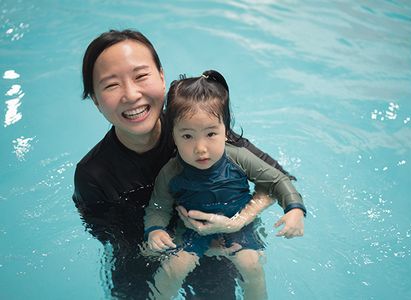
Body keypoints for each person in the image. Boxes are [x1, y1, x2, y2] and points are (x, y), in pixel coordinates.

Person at [73, 29, 305, 299]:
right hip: (147, 261)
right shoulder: (93, 174)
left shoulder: (198, 127)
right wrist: (169, 244)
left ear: (161, 77)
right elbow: (113, 242)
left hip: (221, 242)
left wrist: (235, 222)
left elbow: (278, 180)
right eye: (111, 84)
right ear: (96, 101)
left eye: (140, 76)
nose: (131, 94)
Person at [142, 70, 305, 299]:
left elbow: (278, 179)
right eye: (187, 136)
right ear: (173, 136)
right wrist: (155, 230)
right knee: (173, 269)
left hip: (239, 224)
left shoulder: (238, 157)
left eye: (210, 134)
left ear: (225, 131)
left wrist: (295, 209)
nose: (200, 148)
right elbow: (158, 206)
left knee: (251, 266)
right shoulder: (170, 172)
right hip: (192, 230)